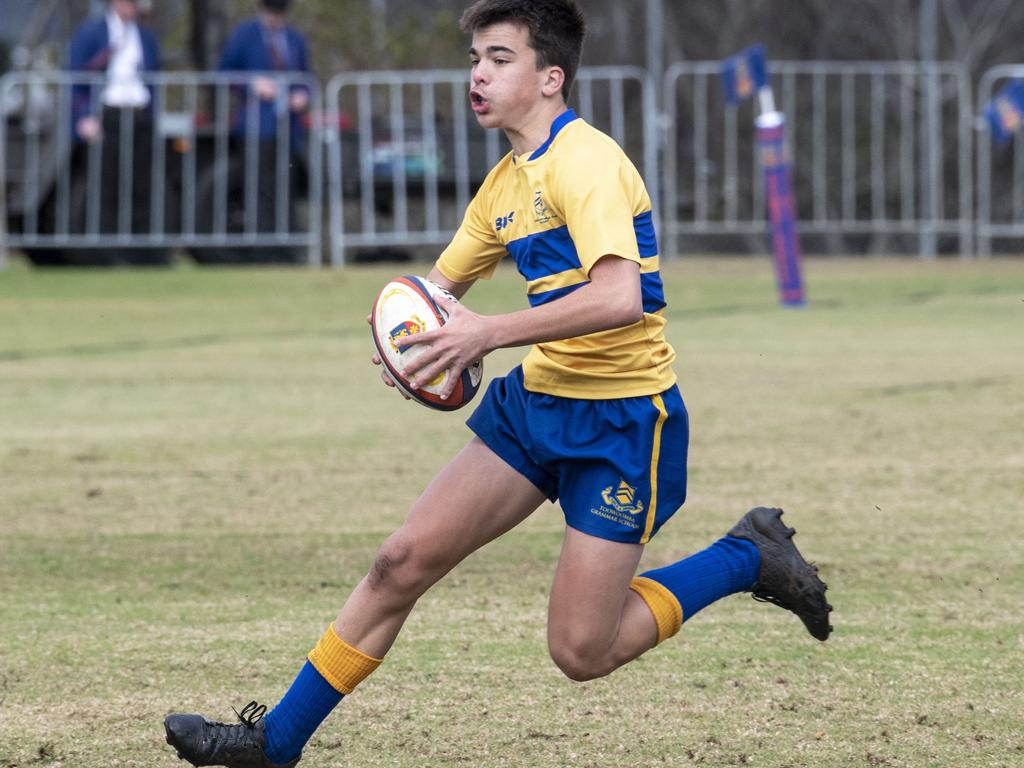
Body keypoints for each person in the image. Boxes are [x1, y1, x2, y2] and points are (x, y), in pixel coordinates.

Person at [164, 2, 832, 766]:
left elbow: (622, 297)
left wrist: (483, 332)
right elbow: (440, 292)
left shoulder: (587, 163)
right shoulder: (503, 188)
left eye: (500, 58)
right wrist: (407, 343)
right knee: (399, 562)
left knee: (583, 650)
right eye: (476, 57)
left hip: (621, 423)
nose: (478, 74)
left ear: (551, 78)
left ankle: (747, 557)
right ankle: (274, 741)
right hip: (535, 405)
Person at [216, 0, 311, 241]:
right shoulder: (244, 35)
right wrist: (252, 84)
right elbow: (223, 72)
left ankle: (287, 244)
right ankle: (262, 244)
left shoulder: (294, 38)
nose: (276, 19)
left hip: (288, 126)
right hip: (256, 125)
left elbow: (305, 75)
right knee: (259, 186)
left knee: (286, 185)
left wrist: (302, 93)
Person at [68, 0, 161, 240]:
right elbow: (75, 77)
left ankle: (141, 247)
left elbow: (153, 76)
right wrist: (82, 117)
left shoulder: (145, 35)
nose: (135, 8)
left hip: (139, 115)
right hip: (107, 115)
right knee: (106, 185)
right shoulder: (92, 32)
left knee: (141, 184)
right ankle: (106, 246)